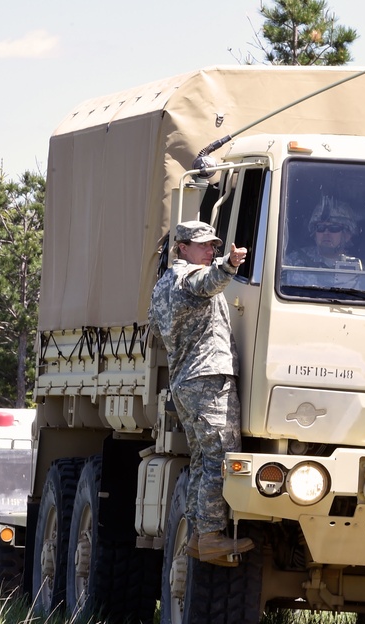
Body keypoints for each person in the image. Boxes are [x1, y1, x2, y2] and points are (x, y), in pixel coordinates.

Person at [148, 220, 253, 563]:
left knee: (200, 460)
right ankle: (210, 536)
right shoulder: (189, 277)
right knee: (219, 459)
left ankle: (197, 534)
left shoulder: (163, 284)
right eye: (203, 245)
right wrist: (231, 264)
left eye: (213, 245)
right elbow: (209, 281)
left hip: (186, 380)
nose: (211, 250)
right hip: (207, 378)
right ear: (182, 248)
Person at [284, 196, 363, 271]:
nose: (326, 233)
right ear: (314, 233)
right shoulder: (292, 262)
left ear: (347, 235)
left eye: (334, 228)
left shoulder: (357, 269)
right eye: (320, 228)